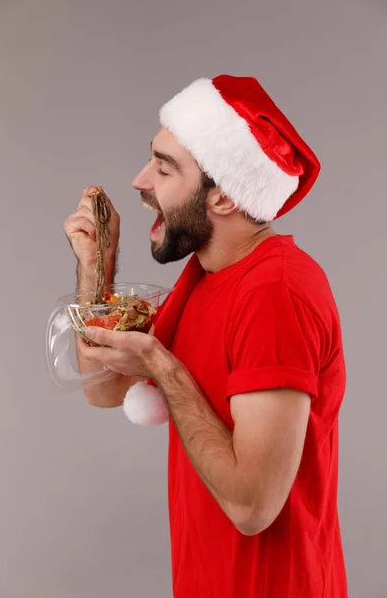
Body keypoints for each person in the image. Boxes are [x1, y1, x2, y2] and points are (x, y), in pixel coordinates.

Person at [64, 75, 348, 598]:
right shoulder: (202, 278)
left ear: (221, 197)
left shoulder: (274, 292)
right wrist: (97, 273)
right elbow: (102, 387)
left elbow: (251, 507)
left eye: (164, 167)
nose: (139, 180)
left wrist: (162, 366)